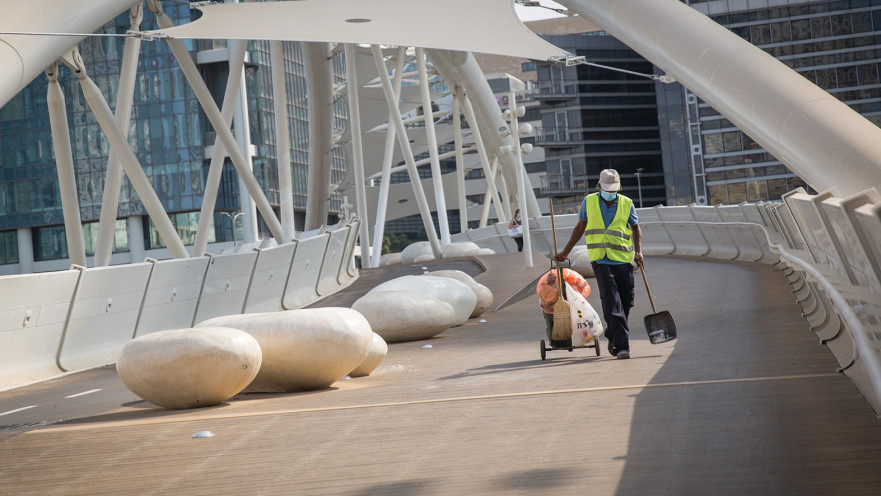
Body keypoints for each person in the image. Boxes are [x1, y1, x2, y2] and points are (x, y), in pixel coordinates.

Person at [554, 169, 643, 360]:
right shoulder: (590, 201)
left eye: (613, 190)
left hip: (623, 260)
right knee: (612, 302)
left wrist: (639, 252)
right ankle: (622, 346)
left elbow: (636, 229)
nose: (610, 193)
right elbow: (580, 227)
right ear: (600, 187)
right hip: (601, 260)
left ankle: (612, 333)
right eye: (607, 189)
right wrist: (565, 252)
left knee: (626, 302)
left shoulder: (627, 203)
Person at [536, 268, 591, 347]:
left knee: (551, 321)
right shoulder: (549, 281)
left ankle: (558, 341)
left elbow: (582, 285)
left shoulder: (571, 277)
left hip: (560, 306)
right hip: (558, 305)